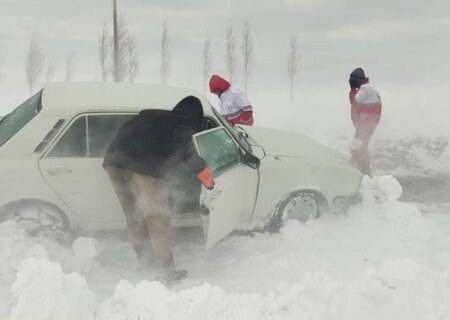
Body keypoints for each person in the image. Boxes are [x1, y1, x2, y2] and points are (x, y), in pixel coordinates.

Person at [103, 96, 215, 283]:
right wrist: (202, 169)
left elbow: (125, 132)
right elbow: (185, 150)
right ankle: (165, 271)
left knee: (133, 214)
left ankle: (144, 261)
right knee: (157, 218)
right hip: (144, 167)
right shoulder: (182, 123)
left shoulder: (149, 115)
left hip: (113, 164)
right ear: (194, 116)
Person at [348, 67, 382, 177]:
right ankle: (362, 171)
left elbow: (354, 101)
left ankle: (365, 174)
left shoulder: (365, 89)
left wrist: (353, 89)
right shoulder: (368, 89)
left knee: (357, 148)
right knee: (359, 147)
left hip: (366, 124)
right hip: (366, 123)